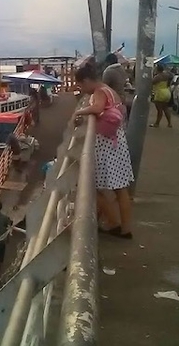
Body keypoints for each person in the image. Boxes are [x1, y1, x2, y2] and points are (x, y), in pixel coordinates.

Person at [74, 57, 135, 239]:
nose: (82, 91)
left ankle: (114, 223)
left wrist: (80, 112)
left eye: (80, 86)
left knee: (92, 187)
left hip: (107, 145)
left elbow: (97, 108)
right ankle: (125, 228)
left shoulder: (99, 91)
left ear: (86, 81)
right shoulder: (111, 91)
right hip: (118, 142)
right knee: (121, 189)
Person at [102, 53, 130, 121]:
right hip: (122, 99)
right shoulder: (121, 69)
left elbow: (103, 87)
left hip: (113, 102)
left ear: (108, 62)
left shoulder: (108, 71)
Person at [150, 64, 173, 128]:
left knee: (159, 110)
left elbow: (151, 83)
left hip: (160, 93)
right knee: (166, 108)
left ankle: (157, 124)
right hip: (167, 92)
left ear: (157, 69)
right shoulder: (166, 75)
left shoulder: (157, 77)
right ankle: (169, 123)